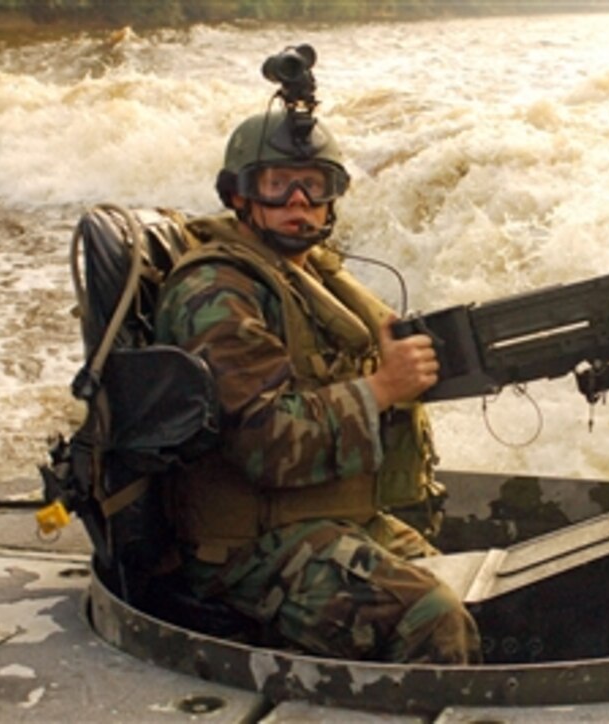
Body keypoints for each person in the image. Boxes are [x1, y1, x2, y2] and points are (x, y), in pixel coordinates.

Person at [152, 105, 481, 664]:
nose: (298, 203)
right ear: (239, 196)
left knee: (473, 592)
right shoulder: (215, 290)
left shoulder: (309, 273)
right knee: (432, 618)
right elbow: (262, 441)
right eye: (277, 186)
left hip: (317, 516)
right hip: (243, 550)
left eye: (313, 186)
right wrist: (379, 390)